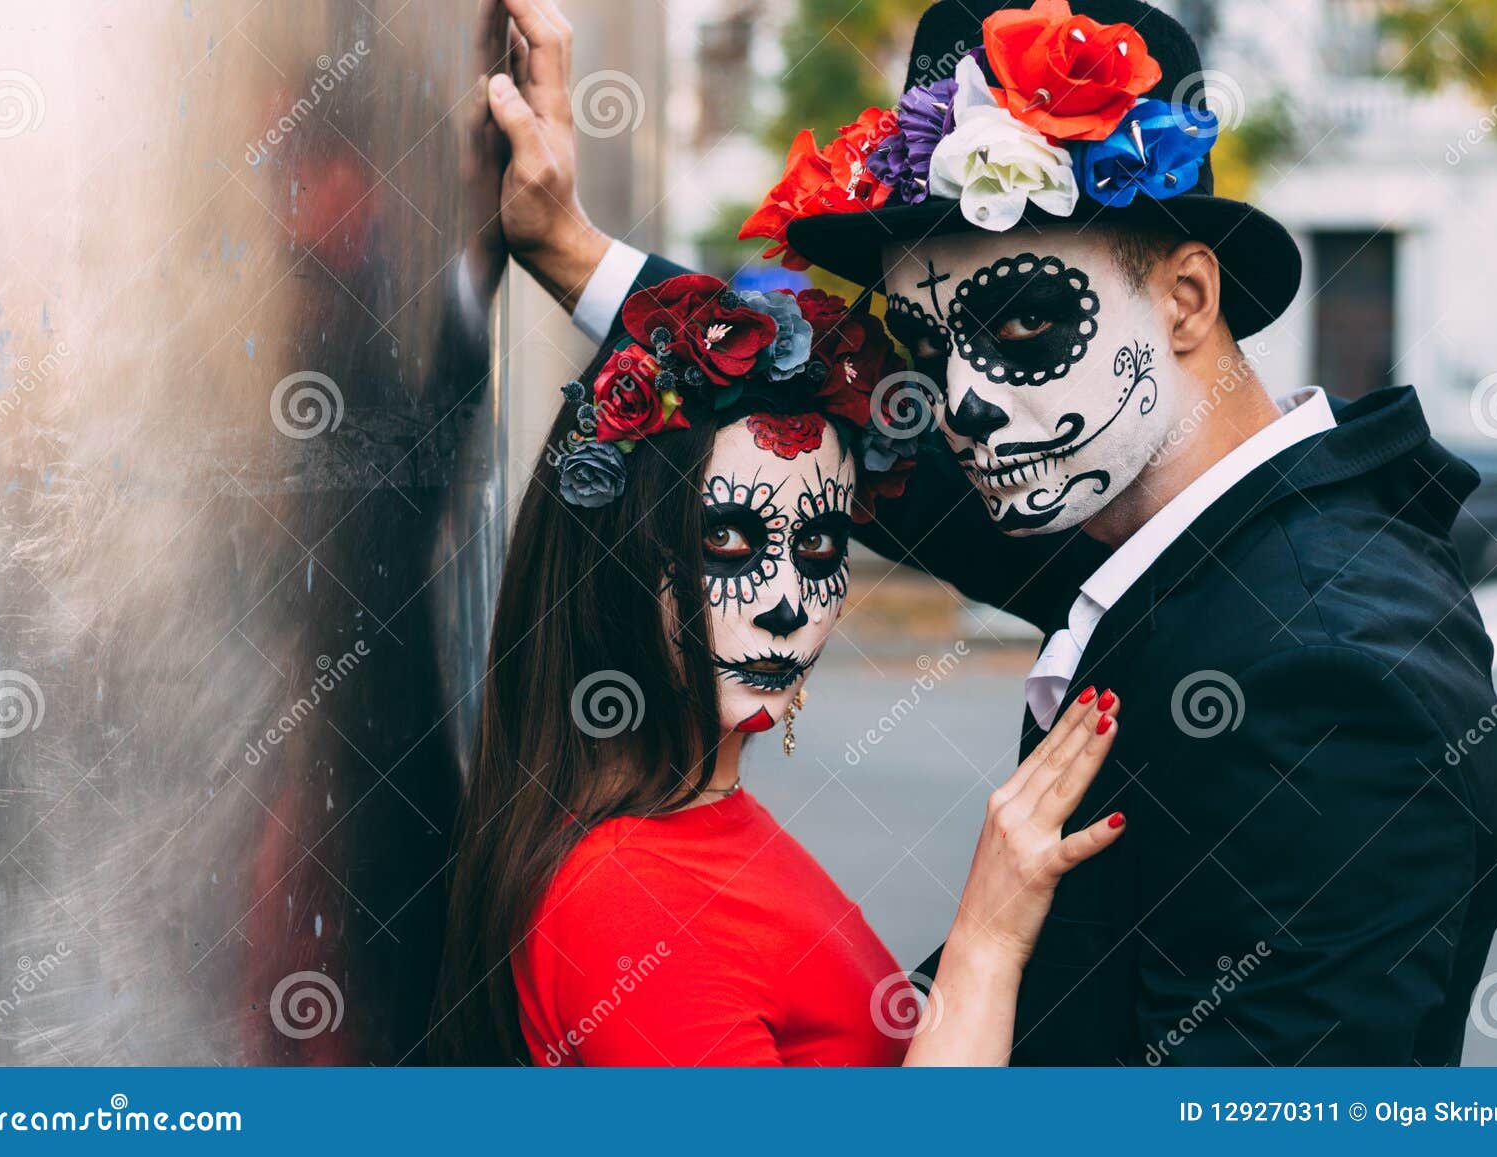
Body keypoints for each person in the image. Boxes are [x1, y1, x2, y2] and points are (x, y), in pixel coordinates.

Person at [483, 0, 1497, 1065]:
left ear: (1186, 298)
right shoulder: (1180, 528)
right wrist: (574, 252)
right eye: (930, 346)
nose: (961, 400)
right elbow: (861, 448)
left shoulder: (1326, 663)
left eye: (1022, 322)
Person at [431, 269, 1127, 1065]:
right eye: (727, 541)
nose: (788, 602)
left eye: (819, 545)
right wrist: (988, 938)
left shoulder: (695, 814)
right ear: (615, 556)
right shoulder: (630, 899)